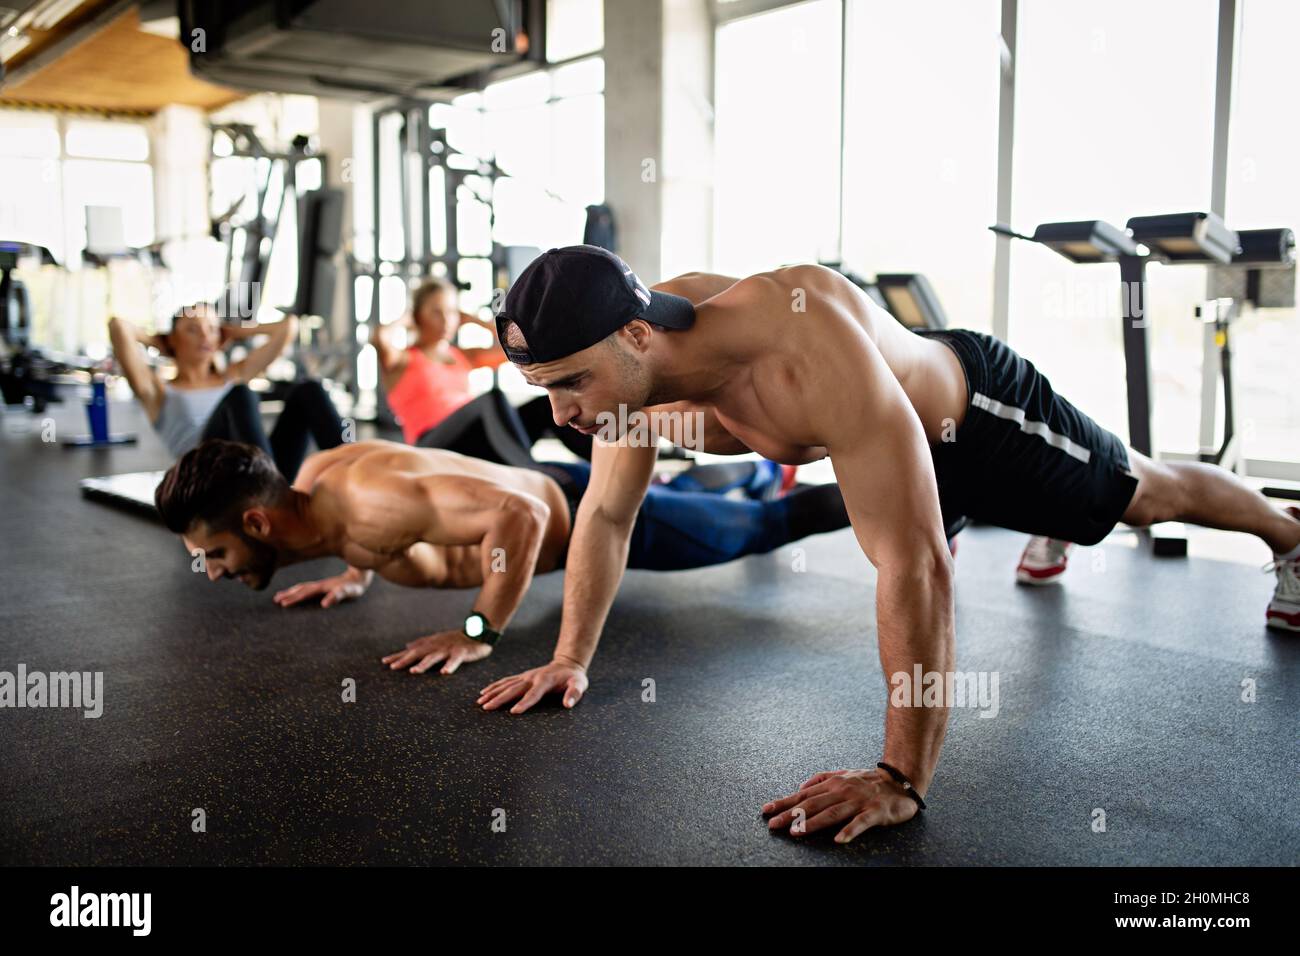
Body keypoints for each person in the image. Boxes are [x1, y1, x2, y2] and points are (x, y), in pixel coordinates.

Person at [478, 244, 1300, 843]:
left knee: (1141, 497)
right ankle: (1050, 520)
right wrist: (571, 657)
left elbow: (914, 562)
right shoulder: (635, 388)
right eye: (545, 389)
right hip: (898, 451)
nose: (561, 415)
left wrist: (900, 779)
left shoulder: (799, 345)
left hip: (978, 422)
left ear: (634, 333)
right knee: (947, 515)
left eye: (570, 383)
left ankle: (1287, 533)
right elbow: (609, 515)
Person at [152, 438, 850, 675]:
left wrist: (477, 631)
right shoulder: (317, 487)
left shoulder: (371, 502)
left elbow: (519, 515)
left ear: (255, 521)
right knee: (692, 491)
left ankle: (941, 492)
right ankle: (754, 468)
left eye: (214, 552)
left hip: (585, 517)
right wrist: (353, 573)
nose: (211, 569)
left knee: (763, 528)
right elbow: (352, 532)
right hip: (555, 488)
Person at [108, 303, 344, 480]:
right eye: (193, 329)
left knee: (308, 390)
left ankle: (357, 466)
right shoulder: (157, 391)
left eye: (211, 329)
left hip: (256, 469)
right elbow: (118, 326)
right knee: (240, 395)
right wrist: (158, 341)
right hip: (208, 475)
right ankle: (268, 490)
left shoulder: (230, 376)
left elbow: (288, 326)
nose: (204, 335)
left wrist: (238, 332)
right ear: (172, 339)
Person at [373, 278, 591, 464]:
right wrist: (406, 319)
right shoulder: (401, 360)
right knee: (491, 399)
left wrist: (474, 320)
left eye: (451, 312)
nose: (446, 320)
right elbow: (378, 338)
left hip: (475, 439)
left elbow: (519, 345)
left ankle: (602, 464)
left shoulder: (462, 356)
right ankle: (530, 470)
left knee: (544, 406)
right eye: (436, 312)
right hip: (432, 445)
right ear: (418, 316)